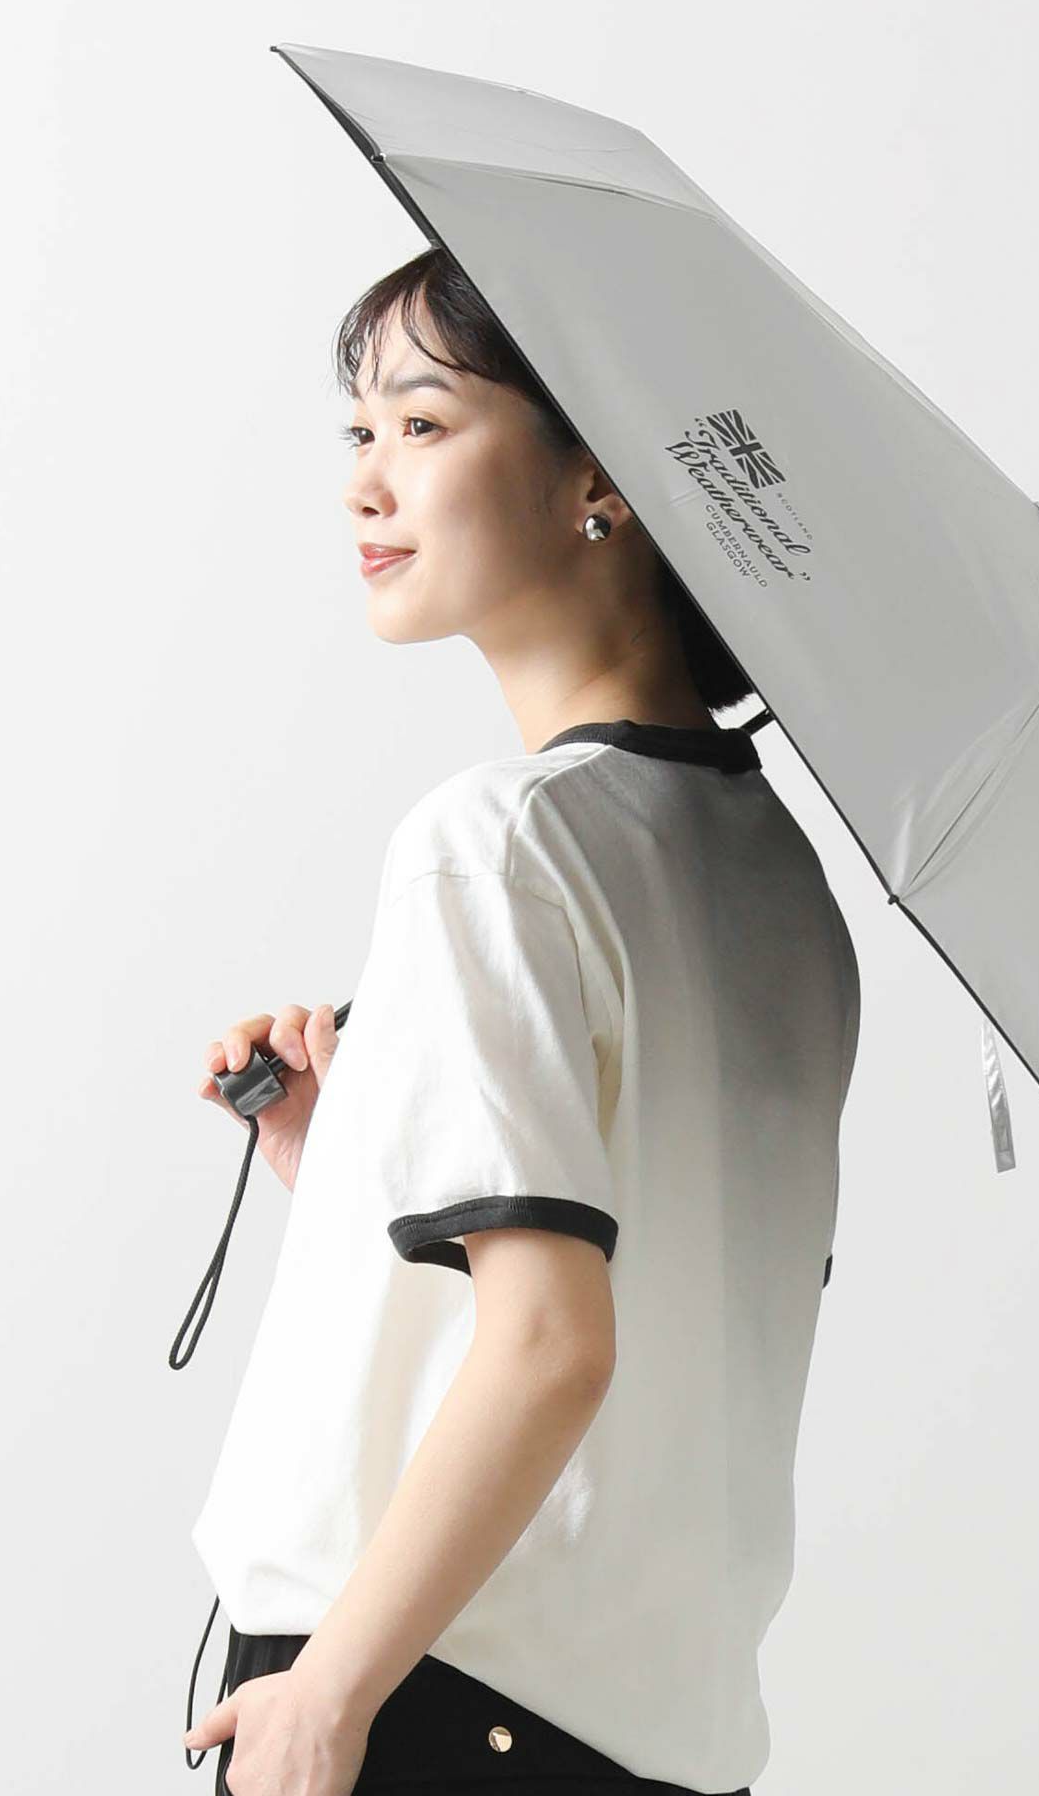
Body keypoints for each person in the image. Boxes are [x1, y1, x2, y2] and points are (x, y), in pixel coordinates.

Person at [182, 245, 861, 1796]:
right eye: (360, 430)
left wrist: (326, 1694)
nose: (366, 483)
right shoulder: (782, 886)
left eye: (424, 425)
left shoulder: (497, 843)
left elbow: (556, 1348)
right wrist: (353, 1165)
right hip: (650, 1739)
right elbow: (667, 1300)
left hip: (417, 1699)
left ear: (602, 475)